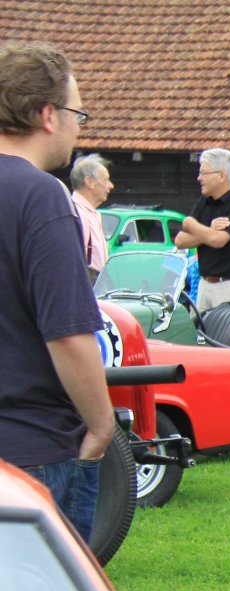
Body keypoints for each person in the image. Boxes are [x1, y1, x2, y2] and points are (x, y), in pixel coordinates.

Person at [0, 42, 117, 541]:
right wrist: (102, 426)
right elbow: (68, 333)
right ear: (48, 115)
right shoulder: (41, 195)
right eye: (77, 113)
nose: (78, 127)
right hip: (31, 449)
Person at [174, 148, 230, 310]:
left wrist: (190, 223)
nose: (199, 178)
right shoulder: (204, 202)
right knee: (199, 327)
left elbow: (217, 240)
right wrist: (209, 229)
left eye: (203, 173)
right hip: (205, 284)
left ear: (221, 176)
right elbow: (180, 241)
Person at [68, 152, 112, 282]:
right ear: (89, 182)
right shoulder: (76, 212)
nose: (111, 186)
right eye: (106, 180)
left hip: (96, 279)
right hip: (84, 279)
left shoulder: (91, 213)